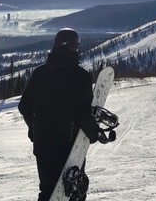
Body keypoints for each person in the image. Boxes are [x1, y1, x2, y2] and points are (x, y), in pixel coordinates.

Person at [18, 28, 99, 201]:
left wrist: (35, 129)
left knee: (49, 192)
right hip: (68, 148)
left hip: (43, 148)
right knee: (74, 192)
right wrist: (93, 133)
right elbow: (83, 114)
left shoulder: (39, 73)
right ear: (75, 48)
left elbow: (24, 106)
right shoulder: (81, 77)